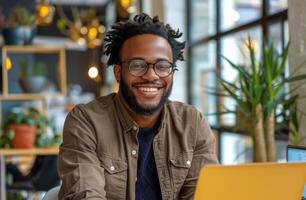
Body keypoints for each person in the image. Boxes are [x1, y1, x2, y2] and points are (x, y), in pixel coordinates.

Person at [58, 13, 218, 200]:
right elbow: (84, 195)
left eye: (162, 66)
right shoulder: (86, 122)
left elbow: (203, 195)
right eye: (137, 65)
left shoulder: (192, 123)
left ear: (172, 72)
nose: (151, 75)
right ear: (118, 73)